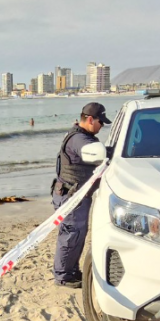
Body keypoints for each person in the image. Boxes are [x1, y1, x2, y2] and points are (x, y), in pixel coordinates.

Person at [50, 102, 111, 288]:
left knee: (76, 234)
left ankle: (71, 270)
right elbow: (97, 153)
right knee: (71, 235)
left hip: (74, 194)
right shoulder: (79, 140)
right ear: (90, 119)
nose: (102, 127)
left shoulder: (83, 136)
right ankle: (64, 276)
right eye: (100, 122)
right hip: (71, 196)